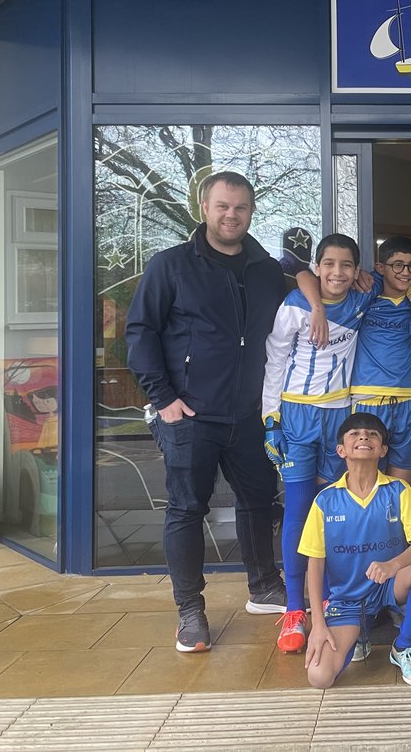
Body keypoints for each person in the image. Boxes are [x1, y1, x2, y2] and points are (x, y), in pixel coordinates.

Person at [125, 170, 286, 655]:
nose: (231, 215)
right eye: (222, 206)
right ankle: (190, 611)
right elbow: (140, 333)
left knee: (259, 503)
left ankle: (264, 586)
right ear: (204, 208)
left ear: (251, 212)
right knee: (186, 510)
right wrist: (163, 398)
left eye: (240, 207)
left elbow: (307, 278)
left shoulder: (265, 269)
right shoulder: (171, 265)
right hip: (190, 414)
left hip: (250, 413)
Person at [263, 232, 382, 655]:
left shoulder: (363, 296)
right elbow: (275, 358)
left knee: (333, 512)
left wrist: (371, 275)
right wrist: (269, 418)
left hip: (339, 419)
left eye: (347, 265)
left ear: (357, 270)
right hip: (296, 415)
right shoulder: (295, 305)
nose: (337, 272)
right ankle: (295, 609)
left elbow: (394, 280)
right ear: (316, 268)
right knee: (298, 510)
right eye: (328, 264)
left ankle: (329, 599)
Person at [299, 412, 411, 688]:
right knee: (319, 677)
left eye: (372, 434)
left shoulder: (398, 490)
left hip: (390, 584)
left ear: (383, 450)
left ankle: (403, 647)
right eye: (354, 434)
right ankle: (358, 633)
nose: (363, 436)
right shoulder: (325, 500)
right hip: (348, 600)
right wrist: (317, 624)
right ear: (341, 450)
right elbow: (314, 565)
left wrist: (393, 565)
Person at [334, 235, 411, 483]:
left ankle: (397, 523)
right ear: (381, 268)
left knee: (403, 483)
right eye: (397, 265)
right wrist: (365, 275)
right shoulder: (364, 295)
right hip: (368, 399)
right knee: (365, 481)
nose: (406, 272)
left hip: (409, 400)